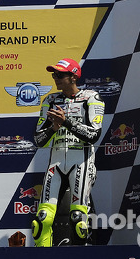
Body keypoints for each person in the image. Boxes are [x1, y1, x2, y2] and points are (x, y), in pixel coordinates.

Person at [32, 58, 104, 247]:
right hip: (55, 163)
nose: (56, 78)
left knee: (78, 218)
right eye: (54, 74)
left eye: (60, 74)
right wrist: (53, 128)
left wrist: (67, 122)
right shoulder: (50, 100)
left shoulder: (91, 97)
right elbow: (38, 140)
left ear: (73, 76)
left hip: (81, 161)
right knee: (42, 219)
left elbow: (94, 135)